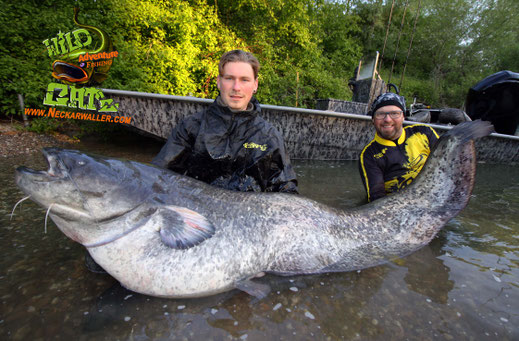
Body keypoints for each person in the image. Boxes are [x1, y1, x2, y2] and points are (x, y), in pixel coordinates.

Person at [152, 49, 299, 194]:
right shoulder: (191, 127)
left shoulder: (269, 137)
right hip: (194, 212)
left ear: (255, 85)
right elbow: (157, 176)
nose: (236, 87)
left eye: (244, 80)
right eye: (229, 78)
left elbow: (286, 191)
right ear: (218, 82)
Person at [359, 92, 439, 202]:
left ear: (403, 117)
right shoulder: (369, 155)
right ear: (373, 120)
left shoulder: (424, 132)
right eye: (380, 114)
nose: (387, 119)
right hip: (397, 206)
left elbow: (445, 166)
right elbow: (376, 197)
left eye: (394, 113)